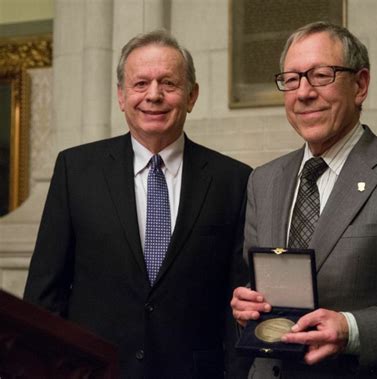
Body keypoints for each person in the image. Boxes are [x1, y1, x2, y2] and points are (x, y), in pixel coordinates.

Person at [231, 21, 377, 378]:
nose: (304, 92)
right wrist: (247, 305)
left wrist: (352, 329)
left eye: (321, 75)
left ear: (360, 85)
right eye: (292, 79)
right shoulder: (262, 180)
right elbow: (266, 284)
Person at [24, 29, 251, 378]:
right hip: (94, 370)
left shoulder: (234, 181)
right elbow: (45, 294)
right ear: (121, 95)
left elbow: (238, 307)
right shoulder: (76, 170)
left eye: (169, 84)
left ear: (192, 96)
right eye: (140, 84)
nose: (154, 95)